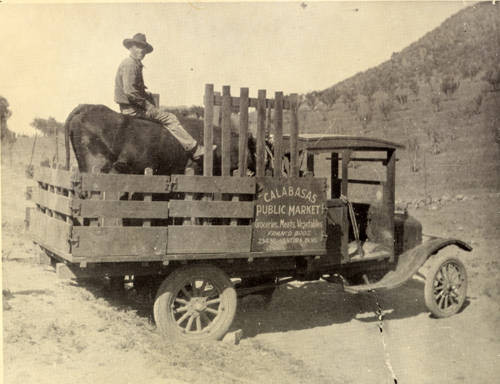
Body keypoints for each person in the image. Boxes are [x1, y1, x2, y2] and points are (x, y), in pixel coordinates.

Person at [114, 33, 211, 160]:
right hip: (132, 109)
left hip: (132, 107)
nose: (141, 50)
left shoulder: (134, 64)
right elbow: (130, 92)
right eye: (138, 46)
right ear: (130, 47)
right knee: (170, 118)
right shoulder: (130, 64)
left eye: (143, 48)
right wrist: (149, 106)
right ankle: (194, 149)